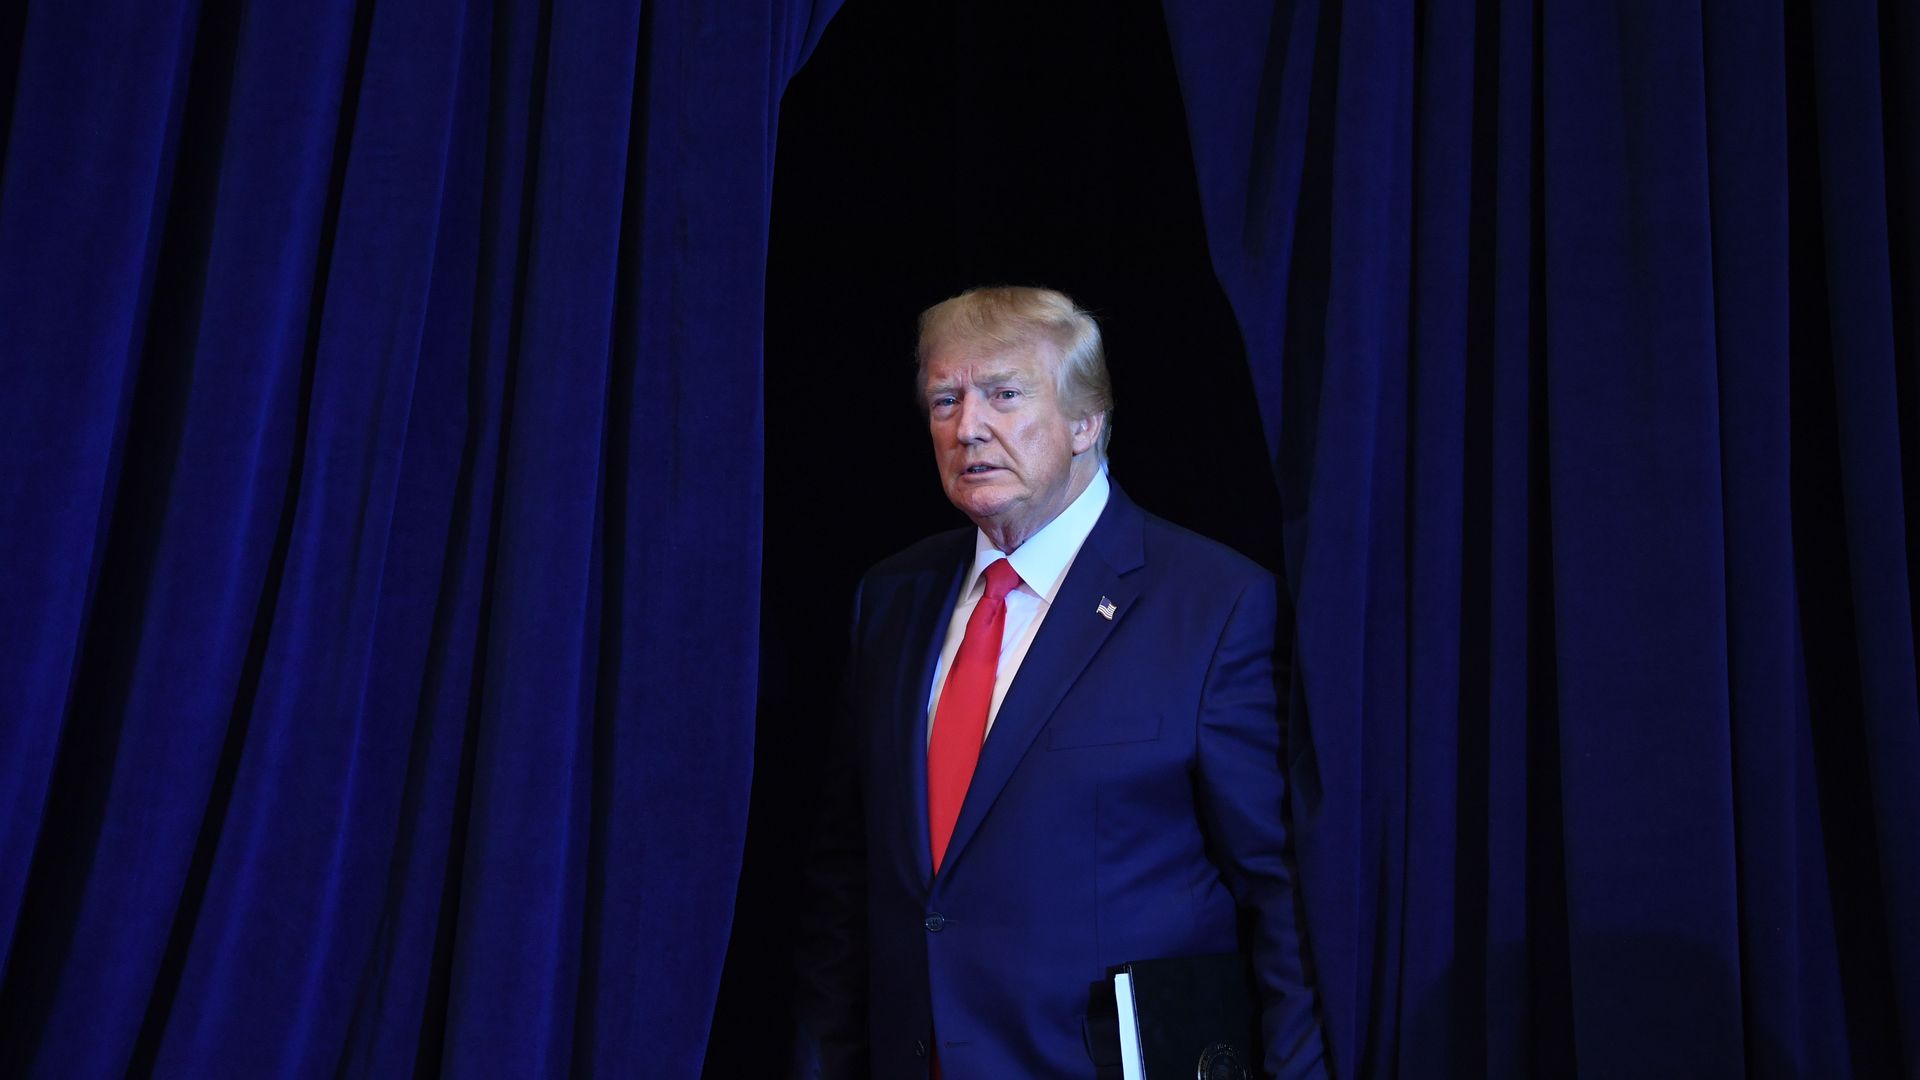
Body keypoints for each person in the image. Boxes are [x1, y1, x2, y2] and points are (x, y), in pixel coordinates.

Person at [792, 286, 1325, 1079]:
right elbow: (847, 880)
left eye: (1004, 394)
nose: (967, 426)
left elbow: (1280, 895)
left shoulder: (1213, 603)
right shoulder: (891, 599)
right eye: (946, 398)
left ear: (1087, 421)